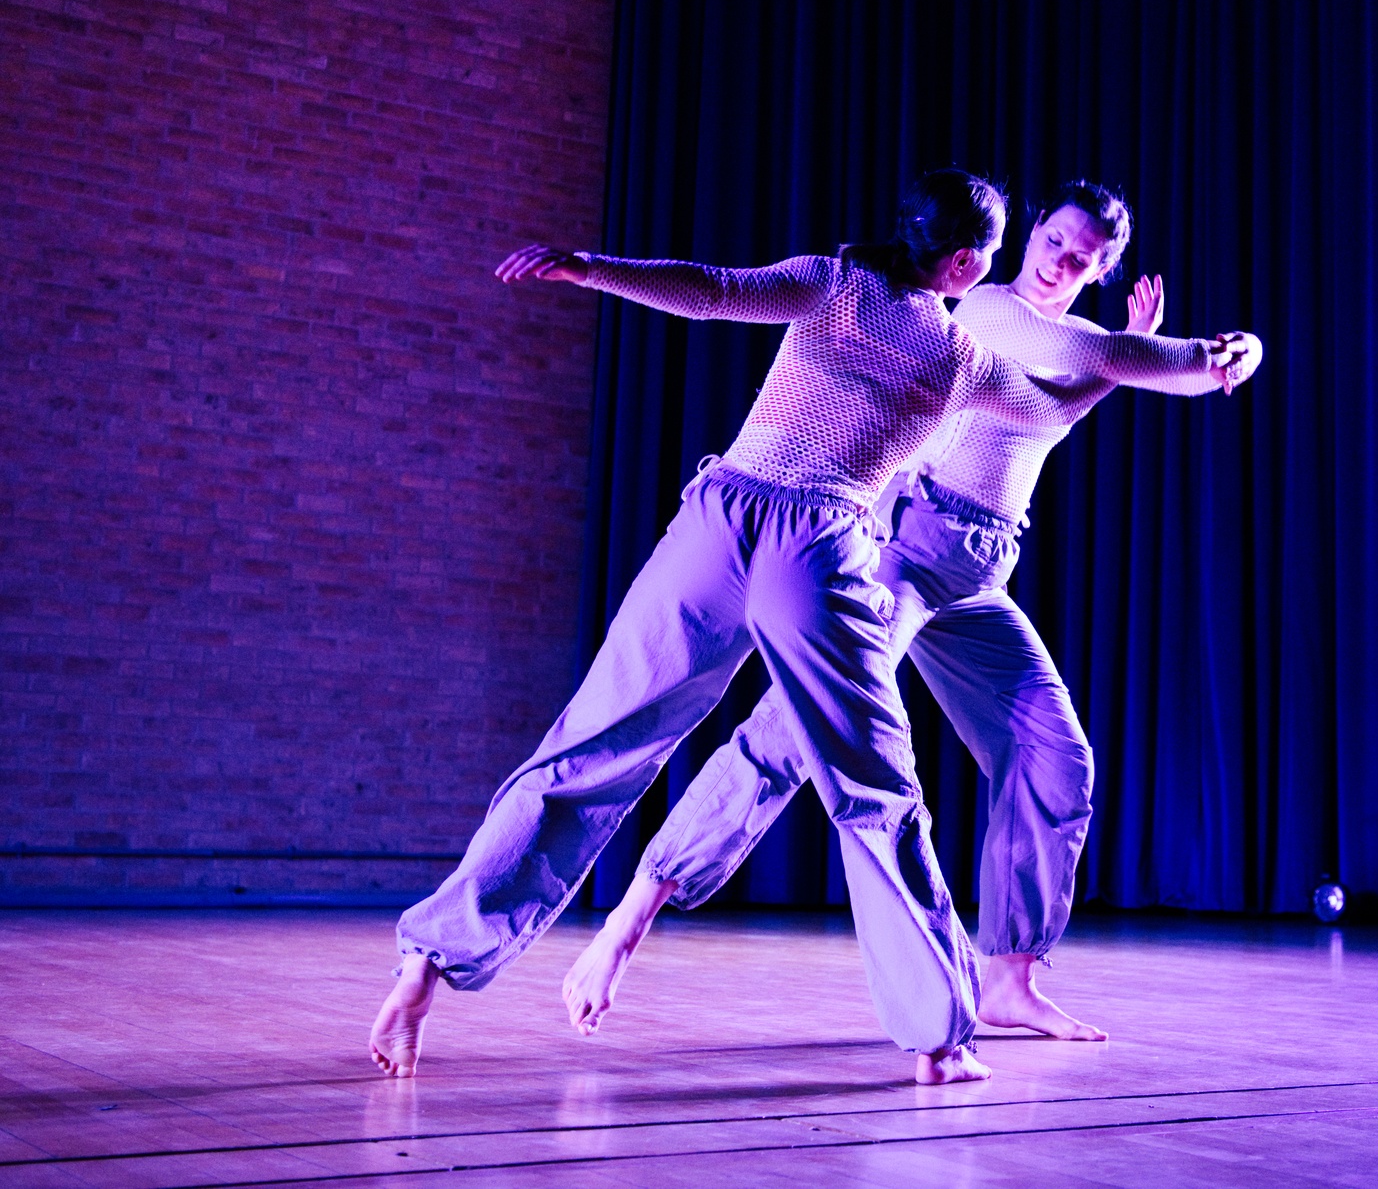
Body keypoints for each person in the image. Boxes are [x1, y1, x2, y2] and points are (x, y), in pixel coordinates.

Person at [369, 170, 1242, 1086]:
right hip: (818, 549)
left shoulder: (833, 281)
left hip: (718, 520)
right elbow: (1056, 402)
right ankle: (939, 1035)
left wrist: (590, 268)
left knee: (592, 742)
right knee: (874, 788)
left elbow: (711, 290)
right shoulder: (965, 352)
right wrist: (1190, 357)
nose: (1054, 261)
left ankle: (430, 958)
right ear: (964, 263)